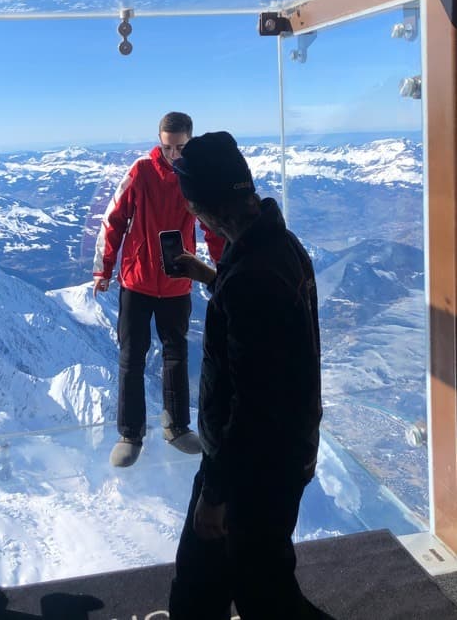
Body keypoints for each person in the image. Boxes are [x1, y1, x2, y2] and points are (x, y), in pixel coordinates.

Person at [169, 131, 324, 620]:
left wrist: (216, 493)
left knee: (242, 592)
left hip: (247, 468)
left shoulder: (251, 277)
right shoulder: (279, 246)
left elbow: (252, 401)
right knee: (252, 586)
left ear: (203, 207)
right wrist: (213, 278)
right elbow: (270, 338)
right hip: (278, 456)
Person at [93, 112, 225, 468]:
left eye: (180, 147)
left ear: (190, 142)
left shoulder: (195, 177)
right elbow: (114, 218)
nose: (173, 155)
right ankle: (130, 434)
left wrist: (224, 269)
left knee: (176, 354)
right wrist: (103, 269)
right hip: (136, 281)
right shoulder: (141, 171)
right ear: (159, 140)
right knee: (131, 357)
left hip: (177, 281)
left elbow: (212, 225)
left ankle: (176, 427)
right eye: (167, 147)